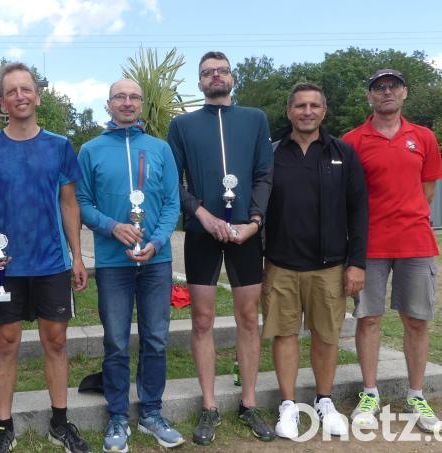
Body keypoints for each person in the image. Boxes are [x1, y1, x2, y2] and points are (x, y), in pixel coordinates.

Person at [0, 62, 90, 453]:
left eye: (27, 89)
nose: (20, 96)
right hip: (4, 265)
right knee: (6, 345)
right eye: (12, 91)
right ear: (2, 102)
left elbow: (69, 203)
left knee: (55, 342)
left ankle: (60, 422)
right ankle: (4, 427)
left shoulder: (59, 145)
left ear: (38, 97)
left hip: (52, 263)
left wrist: (77, 256)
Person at [168, 50, 275, 444]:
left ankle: (248, 403)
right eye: (207, 72)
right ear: (199, 83)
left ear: (232, 77)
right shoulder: (182, 125)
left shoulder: (254, 119)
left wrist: (255, 222)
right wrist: (202, 215)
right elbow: (173, 182)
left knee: (249, 317)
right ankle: (210, 405)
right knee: (201, 319)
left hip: (247, 233)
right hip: (202, 234)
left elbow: (265, 174)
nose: (215, 76)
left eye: (222, 71)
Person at [77, 79, 183, 452]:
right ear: (108, 104)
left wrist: (155, 241)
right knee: (116, 342)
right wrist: (110, 226)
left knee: (155, 339)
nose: (127, 102)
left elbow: (172, 203)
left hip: (157, 261)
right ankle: (119, 416)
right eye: (120, 97)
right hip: (112, 261)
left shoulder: (160, 149)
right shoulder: (90, 150)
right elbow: (82, 201)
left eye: (134, 97)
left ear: (142, 104)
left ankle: (151, 412)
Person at [262, 83, 368, 439]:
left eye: (314, 106)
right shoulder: (271, 151)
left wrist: (357, 263)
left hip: (330, 266)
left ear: (324, 111)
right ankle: (288, 405)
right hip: (281, 264)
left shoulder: (343, 153)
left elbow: (359, 211)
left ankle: (324, 400)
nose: (307, 111)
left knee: (326, 336)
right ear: (289, 110)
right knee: (285, 334)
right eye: (300, 106)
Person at [343, 68, 442, 434]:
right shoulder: (353, 140)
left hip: (415, 243)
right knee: (368, 318)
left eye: (393, 86)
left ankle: (416, 393)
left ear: (404, 93)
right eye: (378, 88)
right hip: (369, 245)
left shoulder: (424, 137)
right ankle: (370, 392)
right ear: (370, 96)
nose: (386, 92)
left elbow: (427, 192)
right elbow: (348, 197)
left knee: (416, 321)